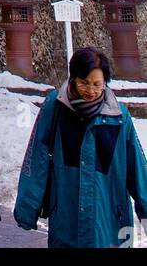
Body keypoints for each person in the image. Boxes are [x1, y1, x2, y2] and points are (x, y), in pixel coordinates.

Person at [14, 45, 147, 248]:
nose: (91, 91)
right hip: (67, 218)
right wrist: (28, 207)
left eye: (97, 84)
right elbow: (37, 157)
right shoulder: (55, 107)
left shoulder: (119, 117)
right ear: (73, 78)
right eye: (84, 83)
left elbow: (137, 169)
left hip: (110, 222)